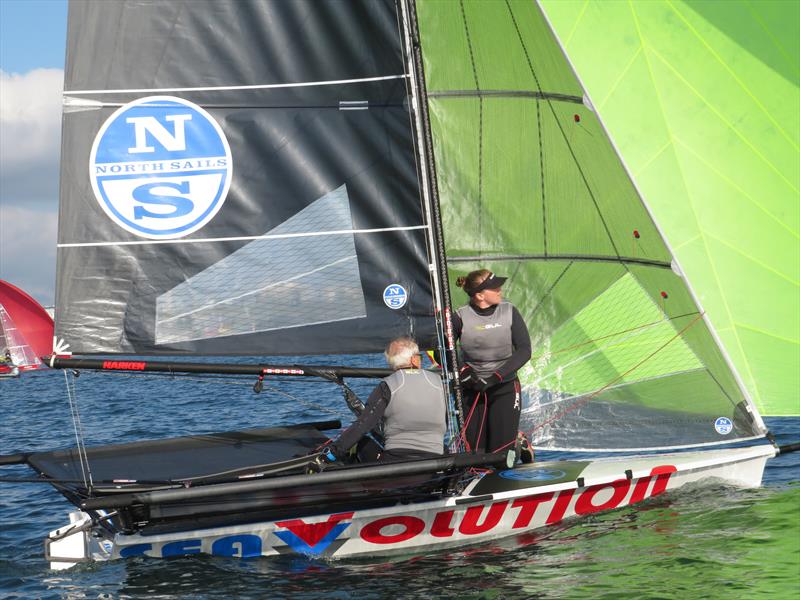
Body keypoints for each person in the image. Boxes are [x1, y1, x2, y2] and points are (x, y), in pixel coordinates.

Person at [324, 336, 447, 463]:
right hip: (436, 459)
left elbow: (363, 425)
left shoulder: (387, 385)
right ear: (414, 360)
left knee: (361, 443)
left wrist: (331, 453)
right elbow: (446, 422)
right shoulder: (439, 382)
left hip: (396, 461)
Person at [453, 269, 532, 458]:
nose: (500, 290)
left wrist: (496, 377)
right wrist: (465, 373)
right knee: (476, 454)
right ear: (480, 295)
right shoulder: (460, 317)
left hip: (504, 385)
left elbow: (524, 350)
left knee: (499, 454)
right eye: (494, 287)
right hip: (472, 389)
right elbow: (441, 350)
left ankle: (516, 444)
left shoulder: (509, 311)